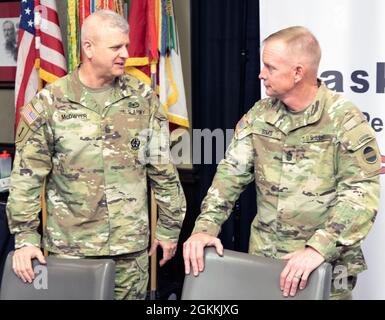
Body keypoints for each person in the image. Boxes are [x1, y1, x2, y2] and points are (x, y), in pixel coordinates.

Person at [183, 26, 380, 300]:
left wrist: (317, 249)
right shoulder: (260, 115)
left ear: (298, 72)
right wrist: (205, 227)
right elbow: (229, 175)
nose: (261, 74)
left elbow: (361, 196)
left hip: (325, 265)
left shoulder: (343, 119)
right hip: (267, 260)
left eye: (270, 67)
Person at [6, 10, 186, 300]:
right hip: (72, 251)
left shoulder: (143, 98)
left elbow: (163, 170)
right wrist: (26, 238)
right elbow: (27, 177)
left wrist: (169, 228)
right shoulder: (48, 104)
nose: (125, 54)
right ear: (88, 48)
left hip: (131, 252)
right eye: (116, 47)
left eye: (126, 46)